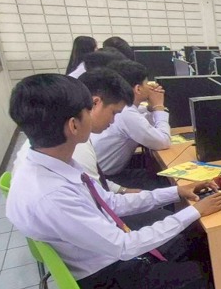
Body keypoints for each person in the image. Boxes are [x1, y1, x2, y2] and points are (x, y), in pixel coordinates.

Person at [6, 74, 221, 289]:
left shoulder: (51, 162)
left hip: (103, 258)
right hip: (106, 284)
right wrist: (195, 211)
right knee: (213, 269)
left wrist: (175, 192)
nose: (109, 120)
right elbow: (125, 246)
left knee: (196, 239)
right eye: (88, 111)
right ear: (73, 125)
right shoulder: (52, 195)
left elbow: (109, 203)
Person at [14, 67, 136, 195]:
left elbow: (93, 184)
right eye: (114, 113)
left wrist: (123, 190)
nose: (112, 121)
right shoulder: (74, 146)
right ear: (94, 103)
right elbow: (96, 200)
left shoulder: (49, 140)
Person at [92, 60, 171, 189]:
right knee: (165, 183)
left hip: (107, 172)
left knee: (155, 174)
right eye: (146, 83)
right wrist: (158, 107)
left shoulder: (122, 107)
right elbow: (163, 141)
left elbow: (145, 125)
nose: (150, 87)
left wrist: (151, 108)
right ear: (138, 89)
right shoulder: (126, 113)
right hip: (106, 180)